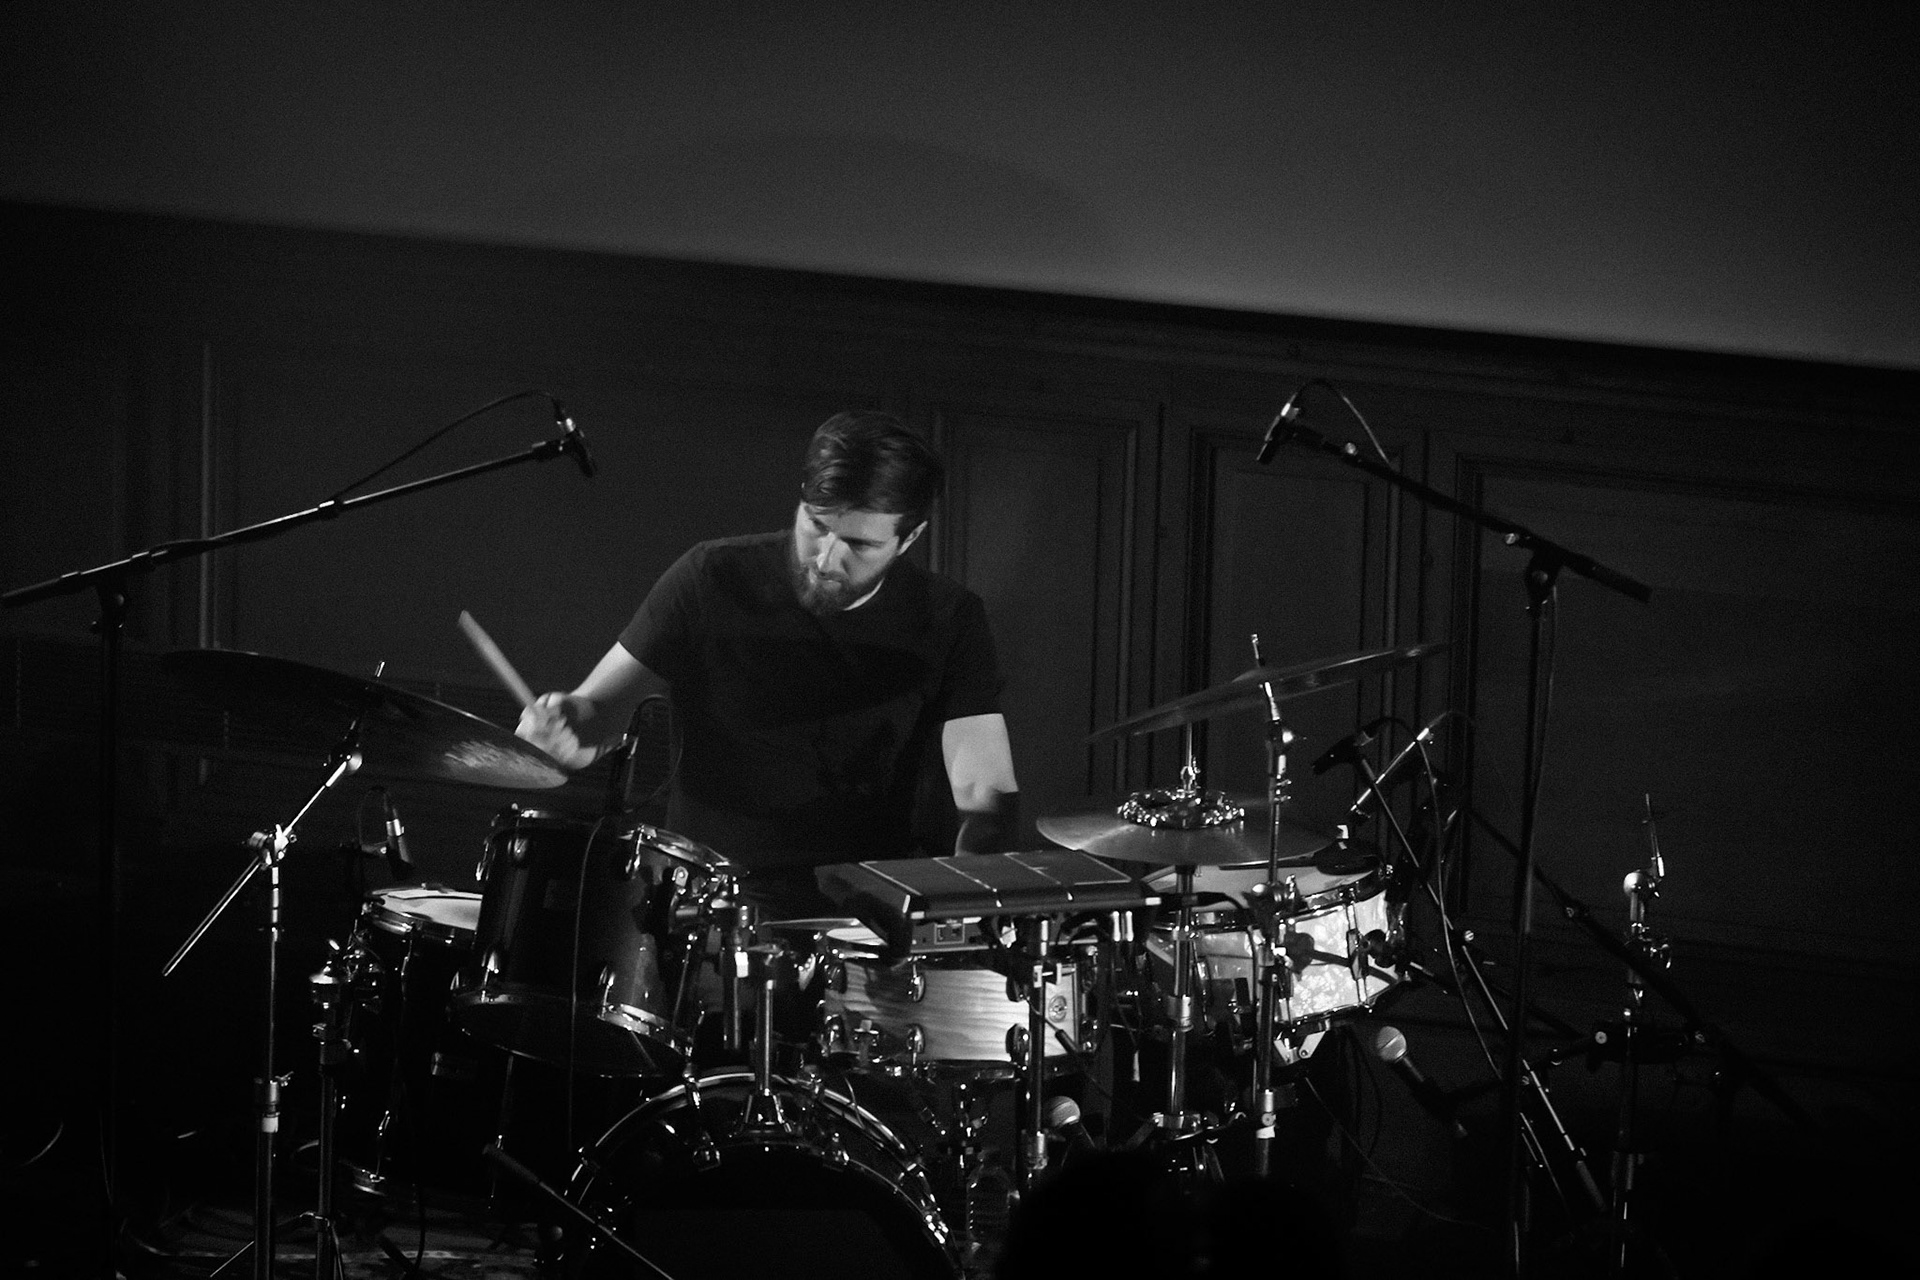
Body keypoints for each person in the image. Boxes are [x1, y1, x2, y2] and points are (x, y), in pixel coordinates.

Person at [515, 410, 1019, 917]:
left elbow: (985, 791)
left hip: (863, 920)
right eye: (816, 526)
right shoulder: (711, 577)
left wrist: (966, 893)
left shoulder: (948, 617)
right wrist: (562, 733)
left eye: (859, 545)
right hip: (703, 905)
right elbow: (599, 712)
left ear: (909, 540)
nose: (825, 560)